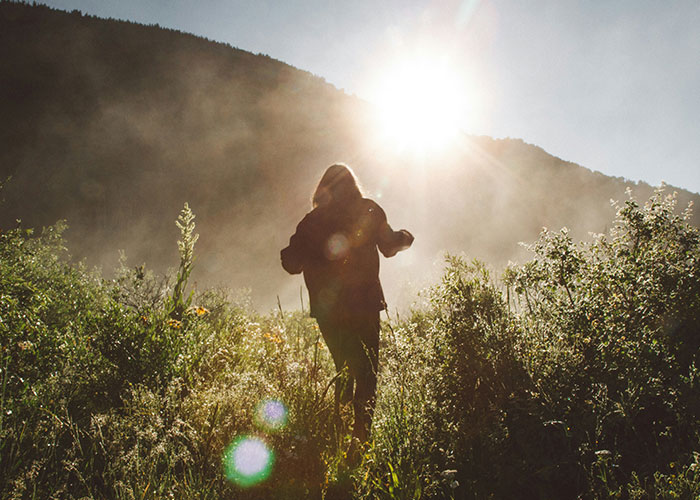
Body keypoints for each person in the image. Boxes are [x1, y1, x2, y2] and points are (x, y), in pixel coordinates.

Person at [280, 163, 413, 448]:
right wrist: (405, 238)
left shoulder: (311, 221)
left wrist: (299, 251)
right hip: (364, 304)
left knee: (344, 365)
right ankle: (361, 439)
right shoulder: (369, 210)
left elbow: (291, 263)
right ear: (353, 185)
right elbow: (389, 246)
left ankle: (340, 436)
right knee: (367, 370)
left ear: (322, 189)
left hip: (329, 310)